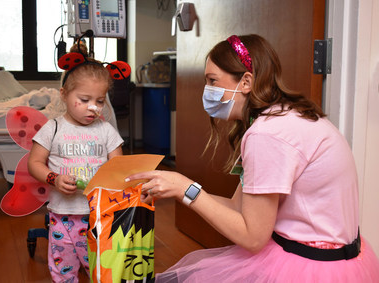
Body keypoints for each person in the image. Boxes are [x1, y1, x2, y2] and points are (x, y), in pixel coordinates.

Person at [125, 34, 379, 282]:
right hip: (340, 257)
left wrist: (185, 189)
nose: (207, 91)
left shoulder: (267, 135)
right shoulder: (285, 117)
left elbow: (252, 238)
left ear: (246, 82)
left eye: (213, 81)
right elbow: (239, 208)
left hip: (313, 267)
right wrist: (176, 189)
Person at [28, 55, 124, 282]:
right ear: (64, 94)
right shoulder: (52, 128)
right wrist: (54, 178)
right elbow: (34, 164)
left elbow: (118, 169)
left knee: (100, 269)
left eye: (100, 101)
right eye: (84, 99)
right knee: (63, 271)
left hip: (99, 216)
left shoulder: (106, 131)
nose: (93, 108)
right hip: (61, 215)